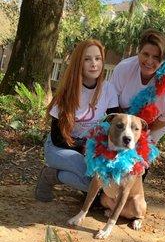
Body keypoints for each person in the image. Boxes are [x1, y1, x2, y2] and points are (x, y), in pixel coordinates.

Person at [35, 39, 119, 202]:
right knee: (91, 182)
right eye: (87, 59)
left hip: (88, 149)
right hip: (58, 148)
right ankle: (50, 175)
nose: (94, 64)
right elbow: (57, 138)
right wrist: (84, 149)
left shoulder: (108, 89)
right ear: (78, 63)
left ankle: (63, 174)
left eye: (98, 58)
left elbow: (114, 126)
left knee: (102, 182)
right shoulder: (67, 93)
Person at [109, 28, 165, 144]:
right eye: (145, 54)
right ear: (138, 52)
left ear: (164, 60)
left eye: (156, 57)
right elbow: (111, 102)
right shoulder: (124, 68)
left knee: (139, 155)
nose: (149, 61)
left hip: (155, 124)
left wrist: (138, 133)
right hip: (122, 117)